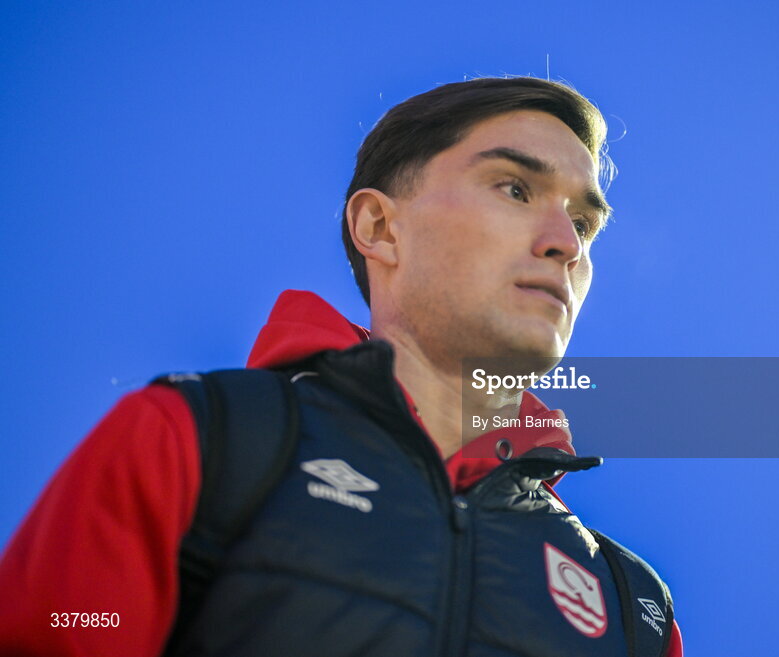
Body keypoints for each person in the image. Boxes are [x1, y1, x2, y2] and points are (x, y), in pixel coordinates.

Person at [0, 77, 683, 656]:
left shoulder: (633, 605)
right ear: (380, 228)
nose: (565, 243)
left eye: (585, 224)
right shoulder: (197, 439)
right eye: (513, 188)